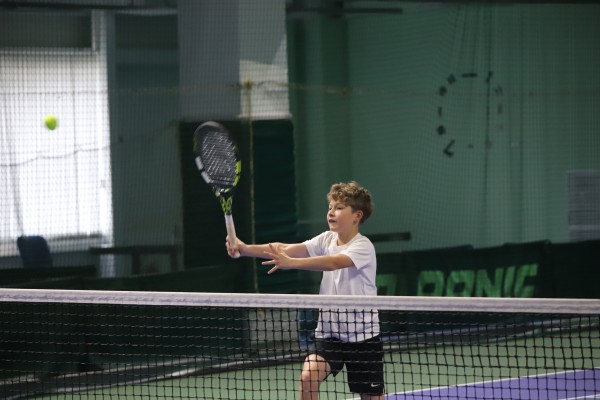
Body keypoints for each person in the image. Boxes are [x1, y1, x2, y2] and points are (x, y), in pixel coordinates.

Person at [226, 181, 384, 400]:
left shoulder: (363, 246)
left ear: (357, 216)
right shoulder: (326, 239)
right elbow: (283, 248)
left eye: (339, 207)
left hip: (362, 337)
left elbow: (333, 262)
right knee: (308, 376)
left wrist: (292, 263)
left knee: (372, 397)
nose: (331, 212)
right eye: (330, 207)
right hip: (329, 334)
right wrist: (244, 249)